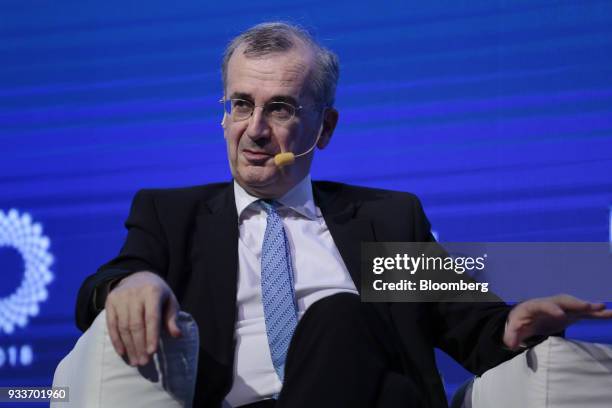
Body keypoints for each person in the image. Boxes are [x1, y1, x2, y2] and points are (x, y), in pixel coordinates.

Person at [75, 22, 612, 408]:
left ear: (325, 129)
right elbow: (101, 287)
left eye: (280, 108)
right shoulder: (176, 215)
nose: (255, 129)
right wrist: (131, 281)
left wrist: (516, 327)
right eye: (241, 104)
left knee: (339, 316)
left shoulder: (384, 219)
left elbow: (473, 329)